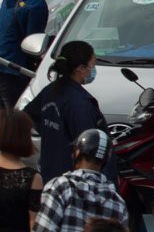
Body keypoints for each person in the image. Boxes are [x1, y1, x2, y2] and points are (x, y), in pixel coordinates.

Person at [24, 40, 105, 183]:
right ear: (81, 68)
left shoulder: (51, 90)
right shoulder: (81, 103)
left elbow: (29, 114)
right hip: (73, 181)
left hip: (50, 172)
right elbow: (89, 146)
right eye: (93, 65)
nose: (93, 70)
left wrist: (53, 135)